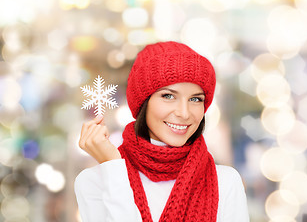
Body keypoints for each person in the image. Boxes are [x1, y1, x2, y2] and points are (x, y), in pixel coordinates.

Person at [75, 41, 250, 222]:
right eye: (168, 96)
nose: (184, 113)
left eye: (196, 99)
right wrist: (111, 165)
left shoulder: (225, 182)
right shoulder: (94, 182)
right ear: (144, 102)